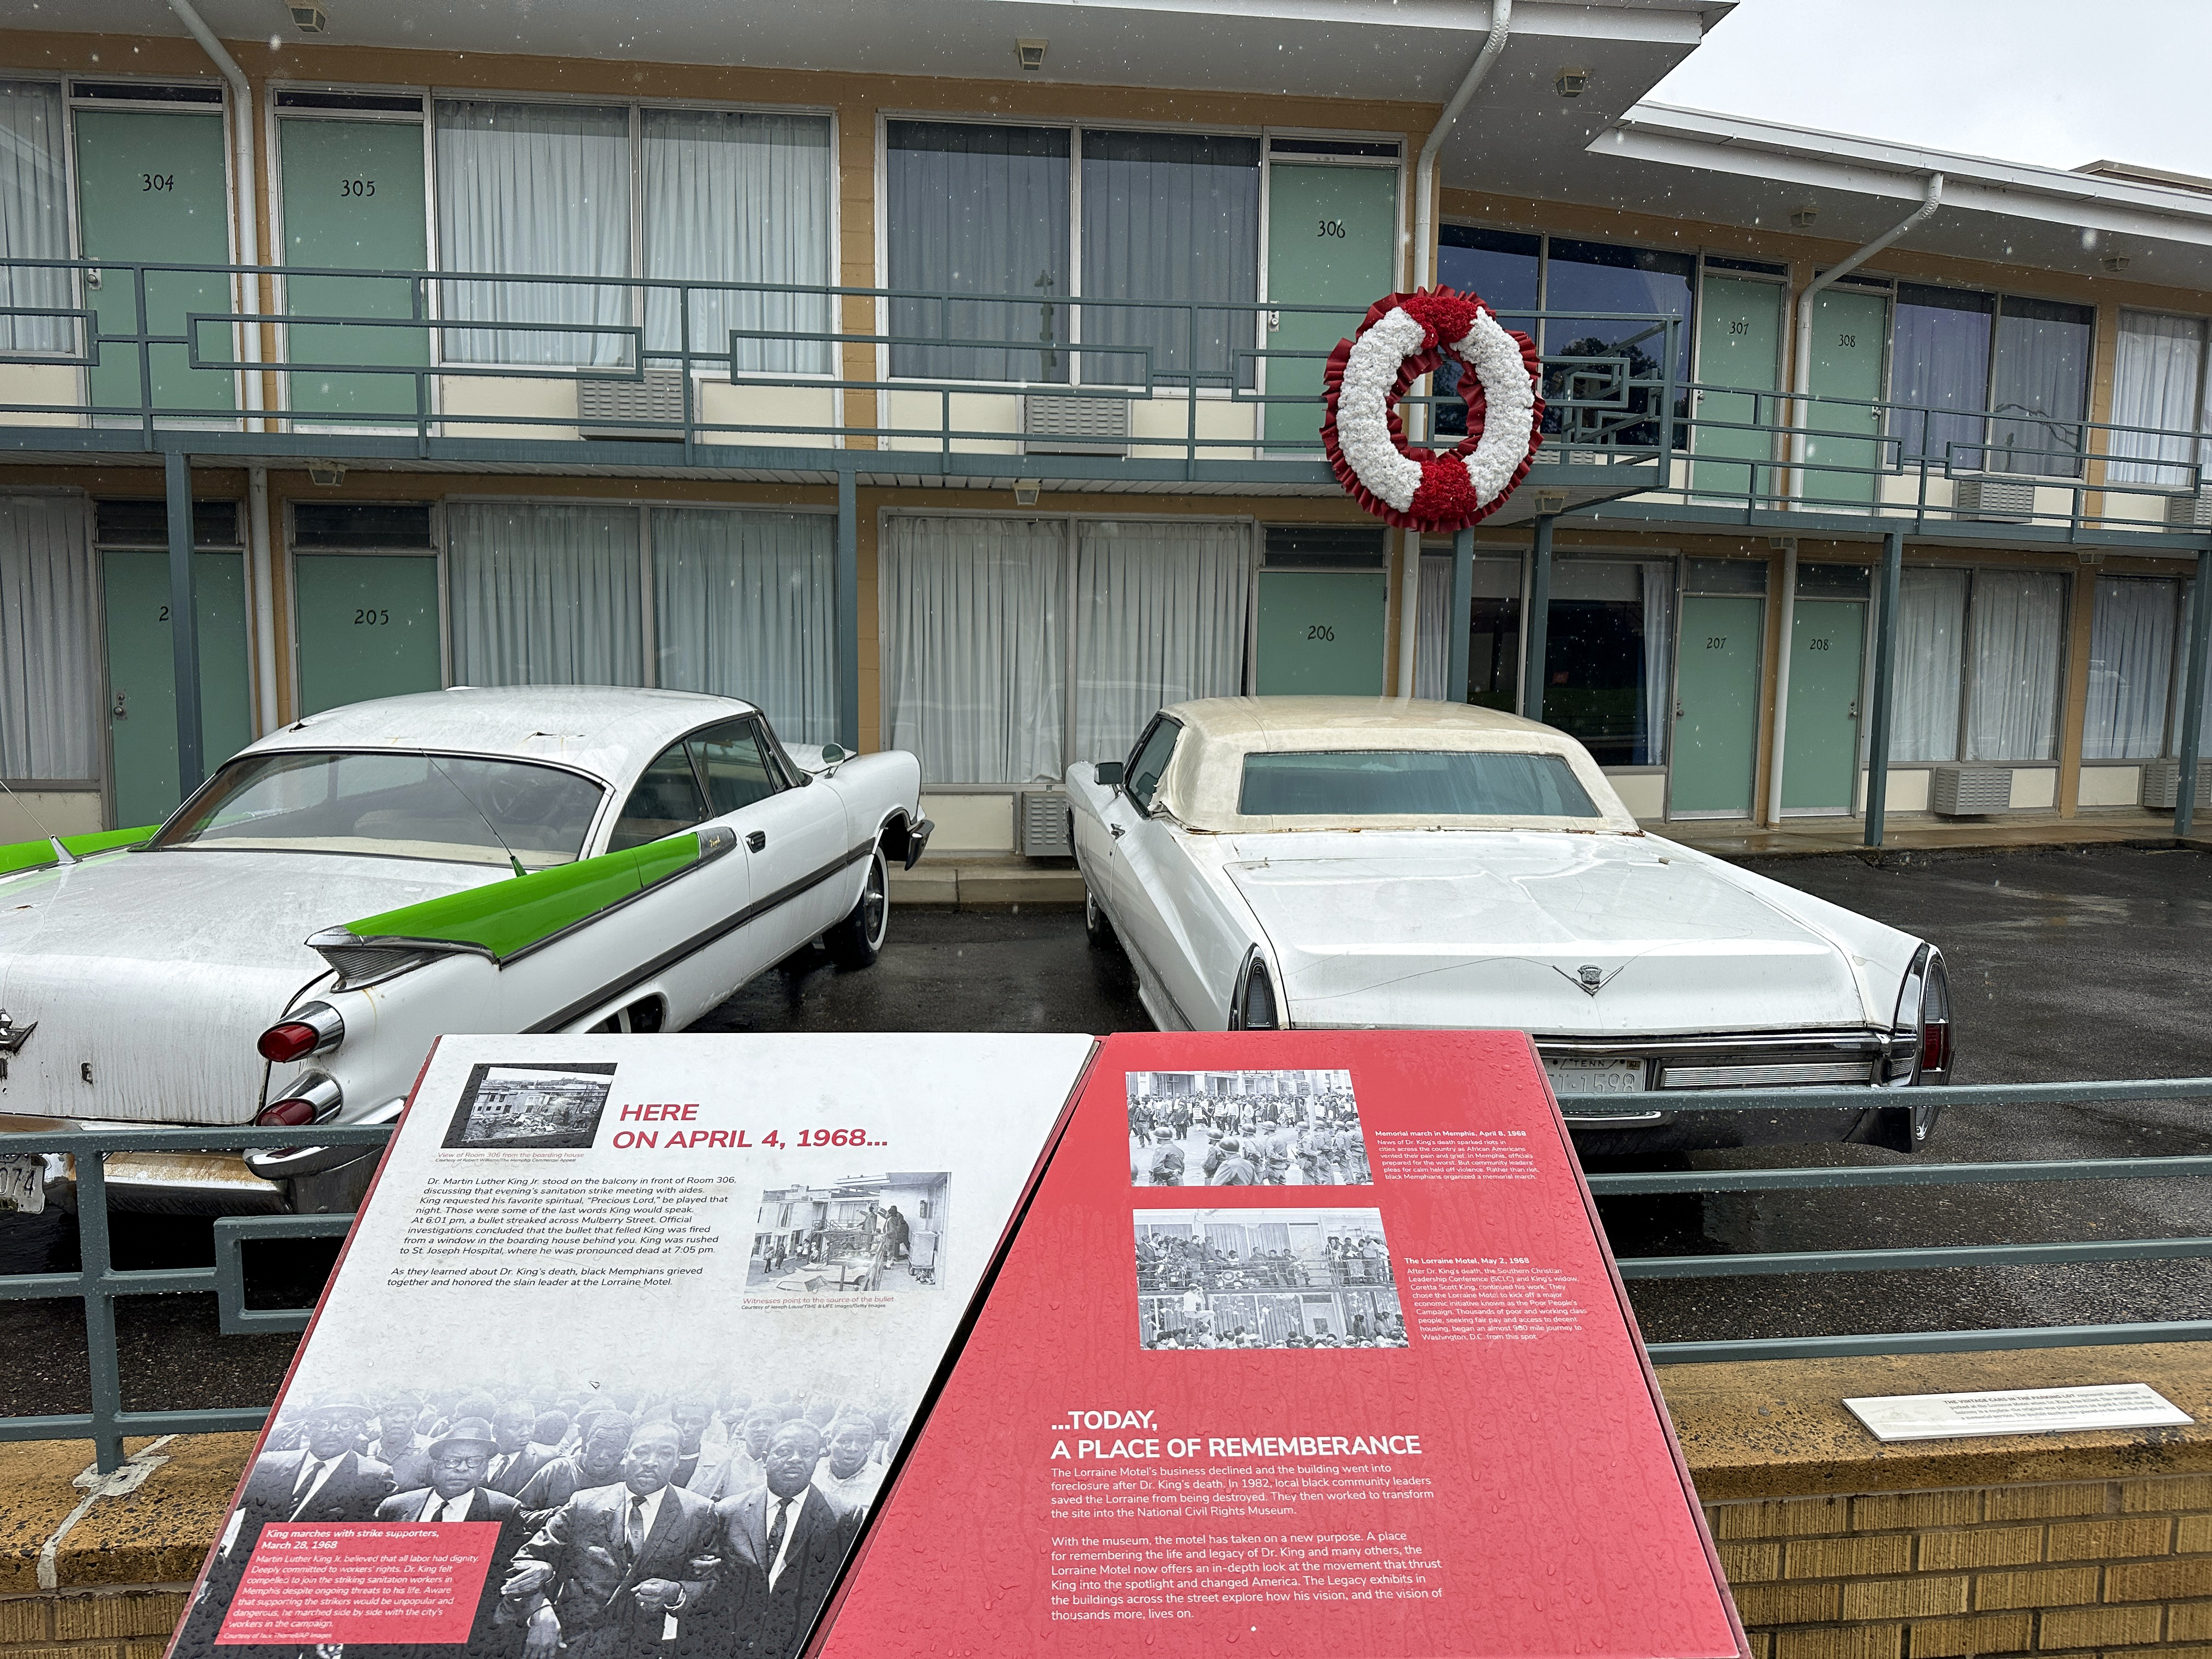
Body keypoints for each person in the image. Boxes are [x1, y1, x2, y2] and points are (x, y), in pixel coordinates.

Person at [504, 1421, 721, 1659]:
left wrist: (676, 1591)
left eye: (665, 1454)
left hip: (643, 1647)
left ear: (678, 1461)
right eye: (641, 1452)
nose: (651, 1462)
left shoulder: (699, 1513)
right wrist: (539, 1610)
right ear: (626, 1456)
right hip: (571, 1644)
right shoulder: (584, 1504)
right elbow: (525, 1560)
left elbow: (711, 1583)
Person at [364, 1419, 527, 1659]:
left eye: (474, 1462)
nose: (462, 1469)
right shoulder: (397, 1507)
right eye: (452, 1461)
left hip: (457, 1640)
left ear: (484, 1469)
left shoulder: (504, 1511)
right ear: (435, 1466)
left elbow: (504, 1578)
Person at [707, 1420, 862, 1659]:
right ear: (766, 1458)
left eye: (807, 1452)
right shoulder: (728, 1512)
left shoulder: (842, 1517)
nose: (796, 1459)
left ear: (818, 1459)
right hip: (729, 1646)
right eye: (785, 1451)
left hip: (796, 1646)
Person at [516, 1414, 635, 1527]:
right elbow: (517, 1515)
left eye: (614, 1448)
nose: (602, 1455)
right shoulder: (559, 1469)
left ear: (625, 1451)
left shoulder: (627, 1480)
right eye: (597, 1446)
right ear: (587, 1442)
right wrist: (559, 1515)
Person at [811, 1417, 884, 1513]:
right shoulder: (813, 1469)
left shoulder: (881, 1480)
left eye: (862, 1442)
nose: (853, 1448)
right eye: (845, 1441)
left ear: (870, 1445)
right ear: (829, 1442)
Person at [486, 1401, 553, 1497]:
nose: (526, 1433)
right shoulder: (481, 1454)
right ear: (496, 1431)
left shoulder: (545, 1460)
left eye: (531, 1425)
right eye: (516, 1427)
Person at [366, 1396, 431, 1494]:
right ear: (381, 1419)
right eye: (392, 1414)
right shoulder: (367, 1449)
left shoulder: (430, 1450)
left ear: (416, 1419)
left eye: (408, 1414)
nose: (400, 1420)